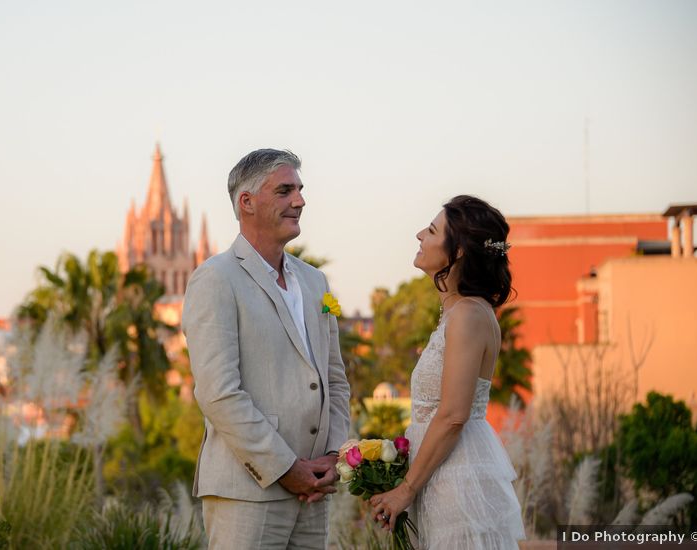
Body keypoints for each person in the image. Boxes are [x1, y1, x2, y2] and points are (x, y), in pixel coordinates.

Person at [182, 148, 351, 549]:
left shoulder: (315, 282)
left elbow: (335, 380)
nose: (300, 201)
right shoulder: (215, 280)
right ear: (247, 202)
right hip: (248, 492)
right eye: (285, 191)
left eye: (300, 190)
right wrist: (284, 467)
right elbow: (218, 393)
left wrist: (333, 455)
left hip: (314, 492)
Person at [369, 195, 526, 549]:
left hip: (459, 483)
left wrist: (405, 489)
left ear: (456, 253)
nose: (419, 234)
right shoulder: (457, 312)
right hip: (440, 478)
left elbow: (454, 414)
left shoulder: (469, 314)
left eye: (432, 230)